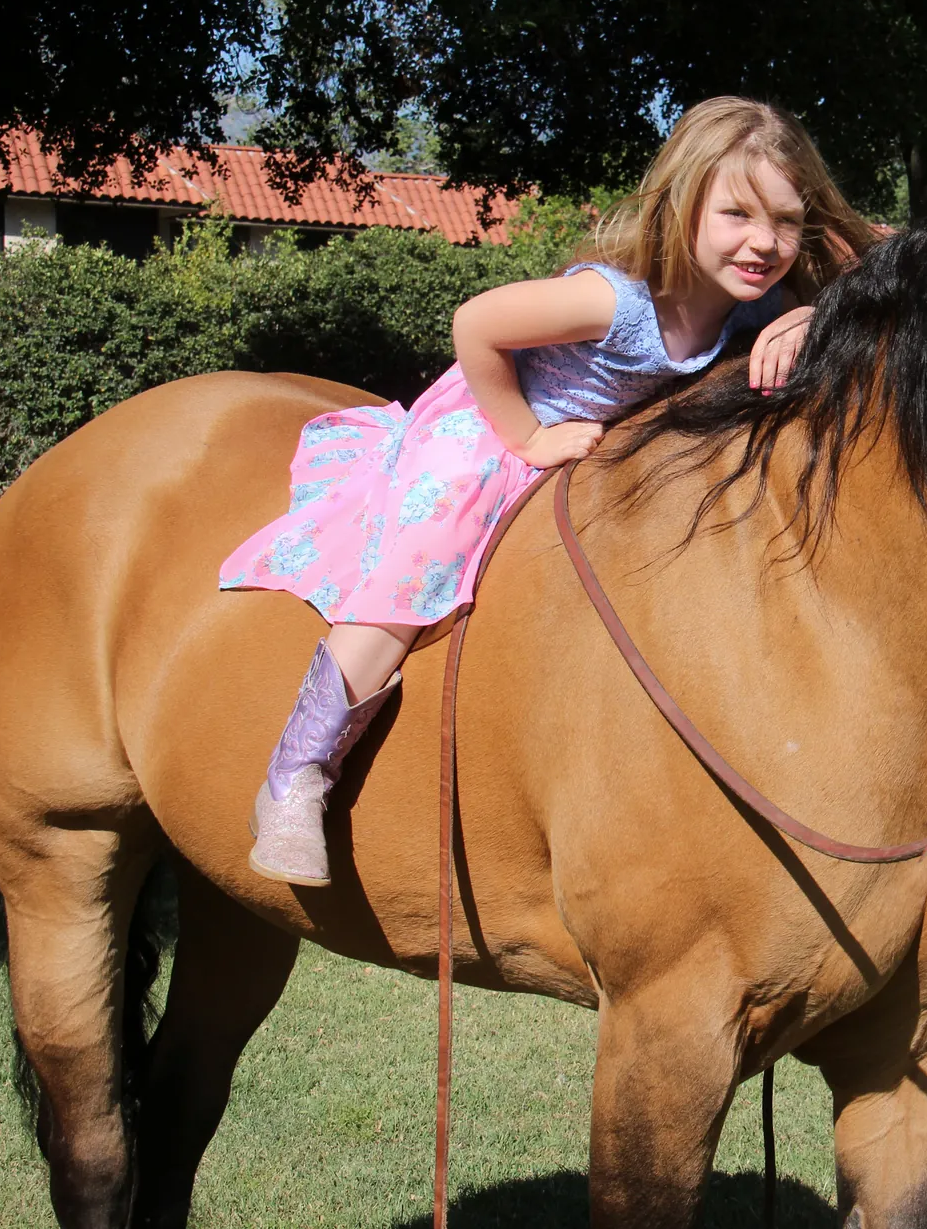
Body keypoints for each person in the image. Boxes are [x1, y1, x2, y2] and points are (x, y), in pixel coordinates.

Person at [219, 96, 876, 886]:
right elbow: (476, 324)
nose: (763, 241)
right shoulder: (616, 302)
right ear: (682, 206)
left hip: (588, 450)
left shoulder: (757, 302)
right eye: (736, 213)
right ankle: (296, 774)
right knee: (416, 569)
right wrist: (527, 437)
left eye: (785, 220)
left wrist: (810, 316)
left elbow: (884, 267)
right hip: (493, 430)